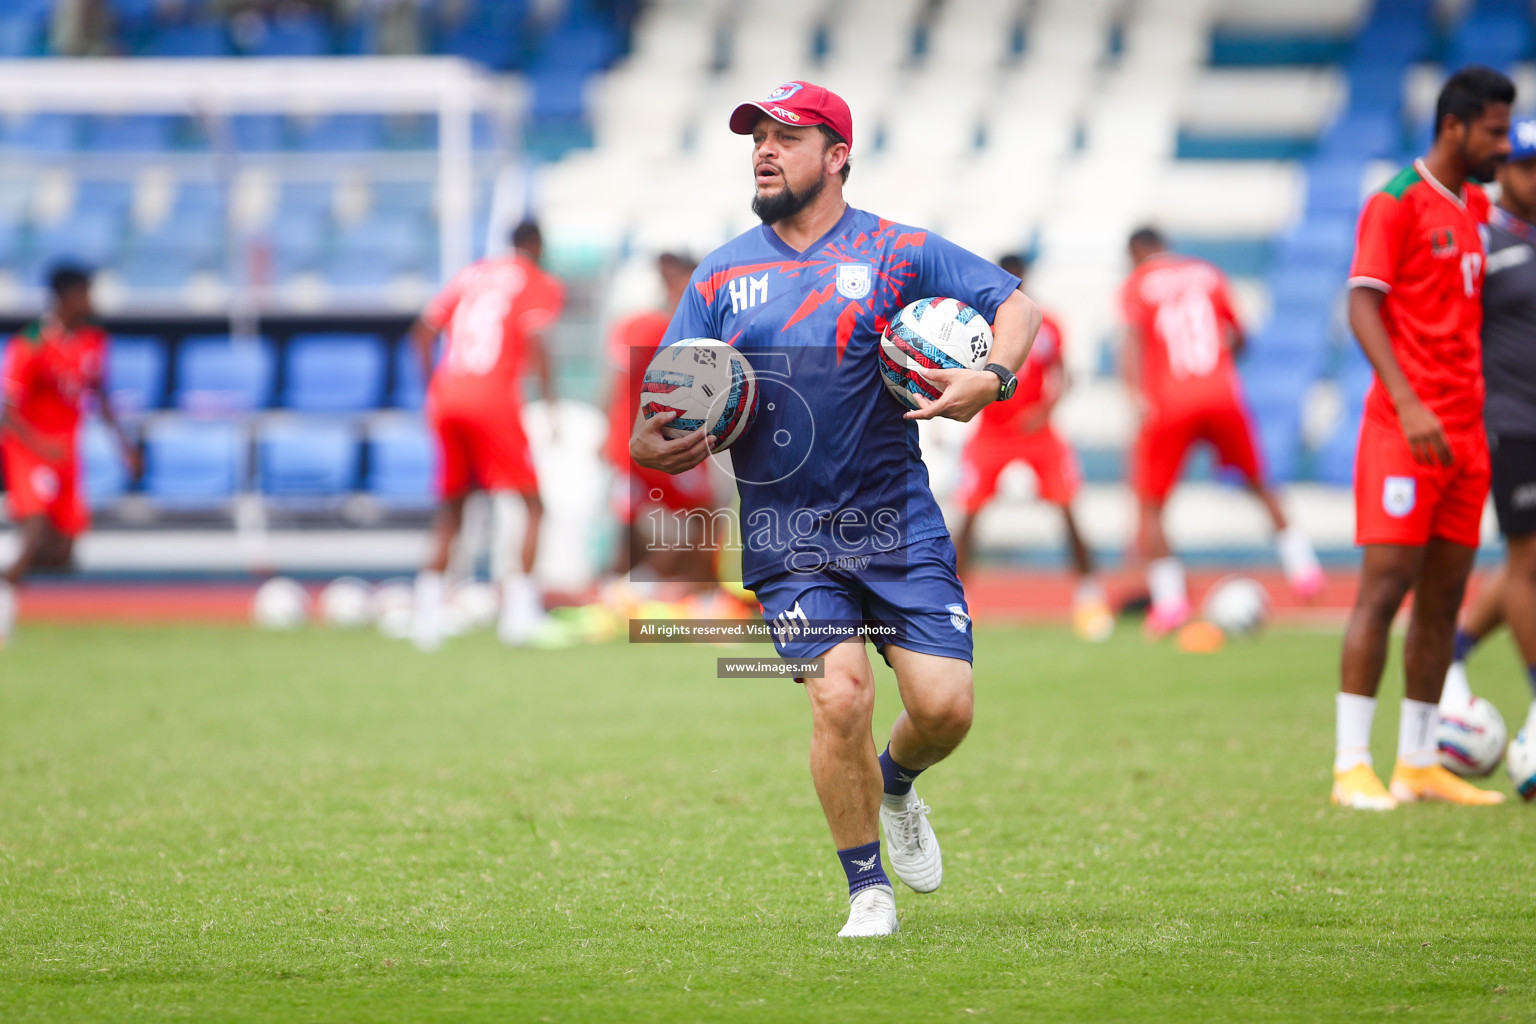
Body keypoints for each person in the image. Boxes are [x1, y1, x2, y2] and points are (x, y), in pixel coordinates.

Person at [631, 81, 1042, 938]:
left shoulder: (897, 252)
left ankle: (895, 783)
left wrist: (992, 377)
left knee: (945, 709)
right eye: (757, 138)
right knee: (840, 697)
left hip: (897, 522)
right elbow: (650, 424)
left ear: (838, 155)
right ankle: (867, 890)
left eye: (786, 136)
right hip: (789, 538)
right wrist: (663, 442)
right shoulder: (722, 273)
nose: (765, 150)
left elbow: (1016, 304)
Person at [1331, 66, 1514, 810]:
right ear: (1454, 127)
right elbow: (1363, 307)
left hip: (1466, 435)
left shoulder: (1475, 204)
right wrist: (1407, 403)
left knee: (1443, 599)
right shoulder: (1396, 201)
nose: (1503, 146)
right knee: (1384, 592)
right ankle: (1350, 765)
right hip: (1406, 430)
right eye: (1495, 132)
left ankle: (1416, 761)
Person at [1118, 228, 1324, 636]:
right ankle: (1305, 570)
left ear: (1137, 251)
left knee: (1152, 503)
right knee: (1257, 481)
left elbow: (1131, 344)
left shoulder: (1137, 284)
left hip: (1169, 400)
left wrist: (1134, 396)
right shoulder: (1207, 273)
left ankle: (1172, 602)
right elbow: (1241, 337)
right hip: (1221, 393)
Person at [409, 220, 564, 650]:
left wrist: (432, 391)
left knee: (452, 509)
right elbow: (537, 340)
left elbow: (422, 335)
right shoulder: (535, 280)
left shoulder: (471, 273)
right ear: (535, 244)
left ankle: (426, 618)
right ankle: (519, 614)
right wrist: (550, 405)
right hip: (493, 399)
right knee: (534, 505)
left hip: (447, 395)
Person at [951, 253, 1112, 642]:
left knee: (1067, 508)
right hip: (992, 431)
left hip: (1038, 434)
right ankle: (955, 602)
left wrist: (1046, 411)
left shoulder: (1046, 323)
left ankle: (1089, 598)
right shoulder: (979, 324)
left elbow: (1066, 375)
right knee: (970, 516)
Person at [1440, 116, 1536, 740]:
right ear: (1501, 170)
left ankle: (1452, 649)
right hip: (1512, 422)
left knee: (1529, 560)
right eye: (1530, 167)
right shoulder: (1481, 240)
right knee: (1530, 562)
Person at [1, 266, 138, 645]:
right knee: (36, 530)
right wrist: (41, 446)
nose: (91, 300)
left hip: (66, 454)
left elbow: (101, 395)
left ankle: (6, 567)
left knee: (64, 552)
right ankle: (3, 610)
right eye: (85, 292)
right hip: (29, 449)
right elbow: (8, 413)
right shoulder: (30, 343)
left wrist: (124, 446)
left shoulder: (93, 341)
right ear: (66, 297)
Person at [603, 252, 719, 588]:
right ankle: (654, 587)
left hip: (629, 438)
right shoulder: (655, 324)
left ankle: (627, 588)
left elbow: (618, 379)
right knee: (705, 515)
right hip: (654, 436)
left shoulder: (641, 323)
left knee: (631, 526)